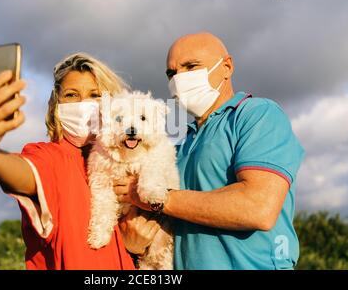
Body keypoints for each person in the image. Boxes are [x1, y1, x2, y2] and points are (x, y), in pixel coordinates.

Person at [116, 32, 305, 269]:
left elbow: (258, 207)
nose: (179, 79)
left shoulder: (258, 115)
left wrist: (155, 198)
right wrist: (132, 243)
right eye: (171, 73)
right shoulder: (180, 145)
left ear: (227, 67)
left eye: (191, 66)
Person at [0, 53, 159, 270]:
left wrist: (134, 248)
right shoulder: (50, 157)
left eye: (95, 95)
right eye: (72, 95)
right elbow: (23, 174)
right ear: (56, 105)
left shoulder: (136, 162)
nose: (84, 104)